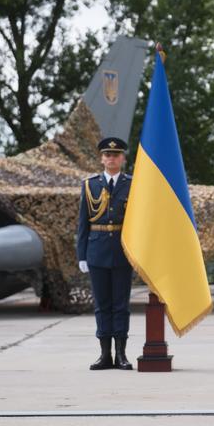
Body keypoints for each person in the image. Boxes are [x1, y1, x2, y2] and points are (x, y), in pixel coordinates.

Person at [77, 137, 134, 370]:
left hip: (122, 251)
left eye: (116, 155)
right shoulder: (90, 185)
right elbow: (83, 223)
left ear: (122, 158)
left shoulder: (133, 184)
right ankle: (105, 355)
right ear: (101, 158)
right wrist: (82, 255)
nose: (111, 158)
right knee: (102, 304)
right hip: (97, 250)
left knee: (121, 304)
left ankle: (121, 354)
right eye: (107, 155)